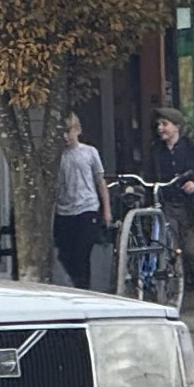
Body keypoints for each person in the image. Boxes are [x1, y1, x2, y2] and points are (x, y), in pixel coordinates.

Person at [148, 106, 194, 305]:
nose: (160, 128)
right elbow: (150, 176)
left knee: (191, 249)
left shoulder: (190, 148)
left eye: (164, 124)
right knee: (169, 248)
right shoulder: (156, 151)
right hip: (168, 205)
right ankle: (171, 287)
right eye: (158, 124)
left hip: (188, 208)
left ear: (176, 127)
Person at [53, 112, 112, 290]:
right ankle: (74, 282)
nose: (65, 137)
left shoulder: (89, 152)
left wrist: (106, 210)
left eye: (68, 132)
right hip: (64, 209)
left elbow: (100, 181)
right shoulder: (58, 156)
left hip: (87, 206)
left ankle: (83, 286)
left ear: (77, 130)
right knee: (65, 252)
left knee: (82, 251)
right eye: (62, 133)